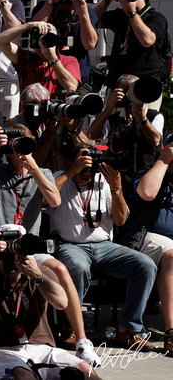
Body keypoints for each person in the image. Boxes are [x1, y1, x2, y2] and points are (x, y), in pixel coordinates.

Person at [50, 143, 157, 351]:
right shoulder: (61, 175)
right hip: (71, 245)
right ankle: (71, 328)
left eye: (90, 165)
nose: (87, 172)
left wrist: (116, 187)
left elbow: (120, 220)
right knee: (78, 267)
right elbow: (47, 195)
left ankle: (128, 329)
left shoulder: (103, 181)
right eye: (83, 164)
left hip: (105, 246)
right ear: (71, 162)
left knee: (145, 265)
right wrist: (73, 170)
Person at [0, 225, 100, 380]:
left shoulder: (38, 272)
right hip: (0, 351)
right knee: (23, 376)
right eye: (6, 254)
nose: (12, 261)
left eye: (16, 252)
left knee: (86, 371)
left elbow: (61, 303)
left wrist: (37, 275)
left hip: (42, 348)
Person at [118, 140, 173, 355]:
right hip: (149, 237)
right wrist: (164, 159)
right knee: (171, 255)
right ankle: (171, 332)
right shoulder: (149, 172)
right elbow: (147, 193)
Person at [94, 0, 170, 109]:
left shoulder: (156, 17)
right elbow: (91, 19)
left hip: (146, 85)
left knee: (144, 126)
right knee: (111, 125)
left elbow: (147, 40)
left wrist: (132, 13)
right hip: (118, 85)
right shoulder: (120, 15)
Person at [31, 0, 98, 83]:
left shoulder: (87, 11)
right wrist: (52, 1)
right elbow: (33, 30)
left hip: (77, 77)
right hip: (46, 75)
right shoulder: (44, 7)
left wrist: (83, 14)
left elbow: (90, 44)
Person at [0, 21, 81, 94]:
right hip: (28, 111)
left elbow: (71, 86)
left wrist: (53, 59)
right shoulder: (26, 59)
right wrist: (28, 25)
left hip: (55, 111)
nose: (41, 45)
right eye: (38, 40)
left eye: (47, 39)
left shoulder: (69, 60)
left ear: (56, 41)